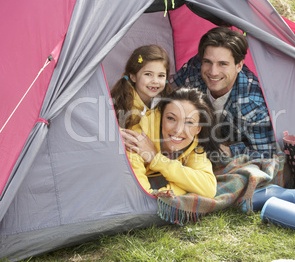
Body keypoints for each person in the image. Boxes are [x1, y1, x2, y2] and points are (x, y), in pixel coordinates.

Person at [170, 27, 276, 160]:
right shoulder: (195, 66)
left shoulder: (252, 104)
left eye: (223, 64)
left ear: (239, 66)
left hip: (225, 148)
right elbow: (169, 91)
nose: (213, 72)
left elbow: (266, 154)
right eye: (207, 62)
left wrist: (231, 150)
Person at [125, 87, 220, 198]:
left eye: (189, 122)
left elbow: (208, 188)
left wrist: (156, 159)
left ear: (198, 129)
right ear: (161, 118)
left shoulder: (192, 144)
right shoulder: (136, 141)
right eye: (171, 118)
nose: (178, 130)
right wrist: (186, 187)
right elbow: (142, 197)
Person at [110, 44, 172, 129]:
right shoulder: (119, 104)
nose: (155, 81)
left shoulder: (168, 104)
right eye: (148, 74)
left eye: (161, 75)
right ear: (133, 77)